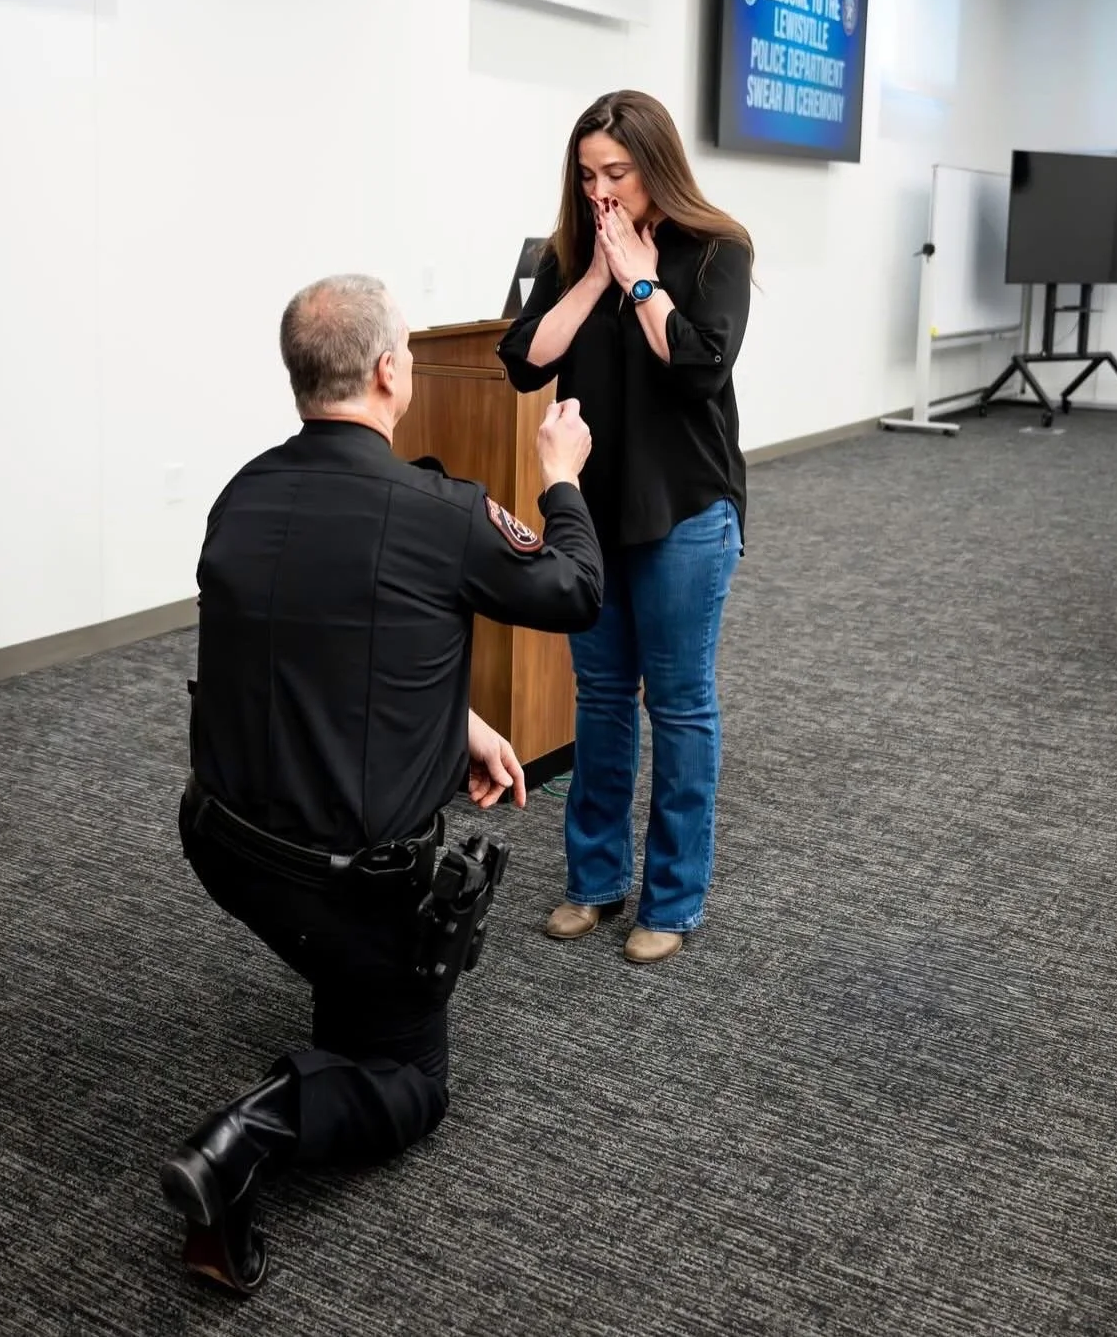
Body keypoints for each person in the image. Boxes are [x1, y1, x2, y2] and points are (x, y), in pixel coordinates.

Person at [162, 274, 602, 1294]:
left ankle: (343, 988)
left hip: (221, 838)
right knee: (408, 1081)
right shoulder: (437, 509)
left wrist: (459, 723)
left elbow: (321, 652)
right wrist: (562, 476)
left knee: (354, 988)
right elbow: (576, 589)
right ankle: (248, 1132)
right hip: (341, 877)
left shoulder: (245, 491)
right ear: (390, 371)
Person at [498, 91, 752, 966]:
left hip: (685, 508)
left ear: (656, 166)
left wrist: (642, 279)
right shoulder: (571, 253)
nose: (601, 190)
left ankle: (672, 900)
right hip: (591, 513)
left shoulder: (717, 248)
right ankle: (593, 883)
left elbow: (695, 366)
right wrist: (598, 275)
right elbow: (522, 360)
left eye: (617, 173)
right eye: (587, 175)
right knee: (601, 701)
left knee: (680, 708)